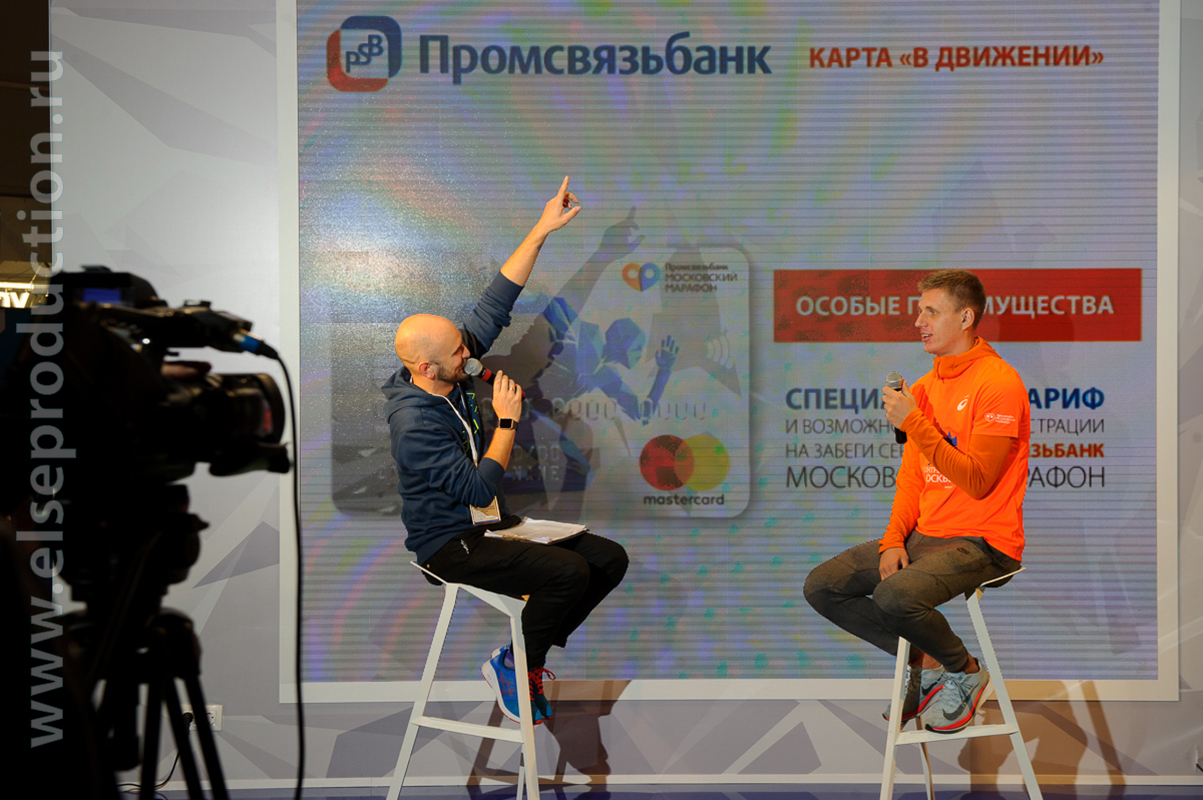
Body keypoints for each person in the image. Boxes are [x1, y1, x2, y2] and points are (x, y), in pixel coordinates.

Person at [382, 177, 629, 724]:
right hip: (449, 545)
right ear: (426, 368)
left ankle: (516, 656)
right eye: (458, 353)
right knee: (567, 574)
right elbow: (477, 489)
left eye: (464, 345)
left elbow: (498, 299)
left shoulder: (448, 367)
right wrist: (509, 420)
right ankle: (520, 665)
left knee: (608, 559)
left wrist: (543, 229)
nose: (470, 356)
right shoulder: (413, 423)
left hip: (490, 526)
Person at [803, 269, 1030, 734]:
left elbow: (978, 481)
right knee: (823, 586)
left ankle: (966, 671)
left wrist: (916, 423)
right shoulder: (922, 389)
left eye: (931, 312)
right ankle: (925, 665)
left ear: (965, 317)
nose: (918, 322)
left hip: (984, 542)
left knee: (894, 595)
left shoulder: (999, 382)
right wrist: (892, 541)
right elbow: (912, 479)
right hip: (927, 535)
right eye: (918, 311)